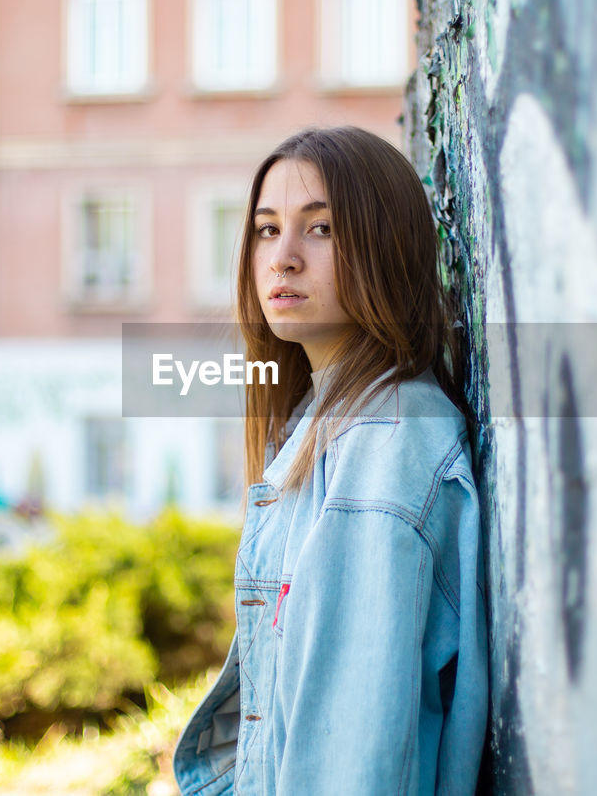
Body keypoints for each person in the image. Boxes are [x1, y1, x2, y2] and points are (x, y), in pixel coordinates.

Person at [173, 127, 487, 795]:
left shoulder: (384, 444)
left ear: (385, 246)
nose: (282, 258)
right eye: (265, 229)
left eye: (320, 229)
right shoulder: (324, 427)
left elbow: (349, 765)